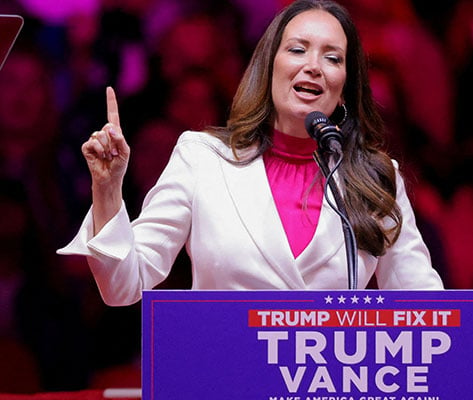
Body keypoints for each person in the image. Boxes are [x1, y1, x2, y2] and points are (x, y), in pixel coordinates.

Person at [58, 0, 444, 306]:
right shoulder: (203, 158)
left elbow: (425, 309)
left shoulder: (375, 177)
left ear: (344, 86)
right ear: (269, 66)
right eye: (297, 50)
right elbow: (123, 286)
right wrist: (107, 190)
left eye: (332, 58)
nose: (313, 66)